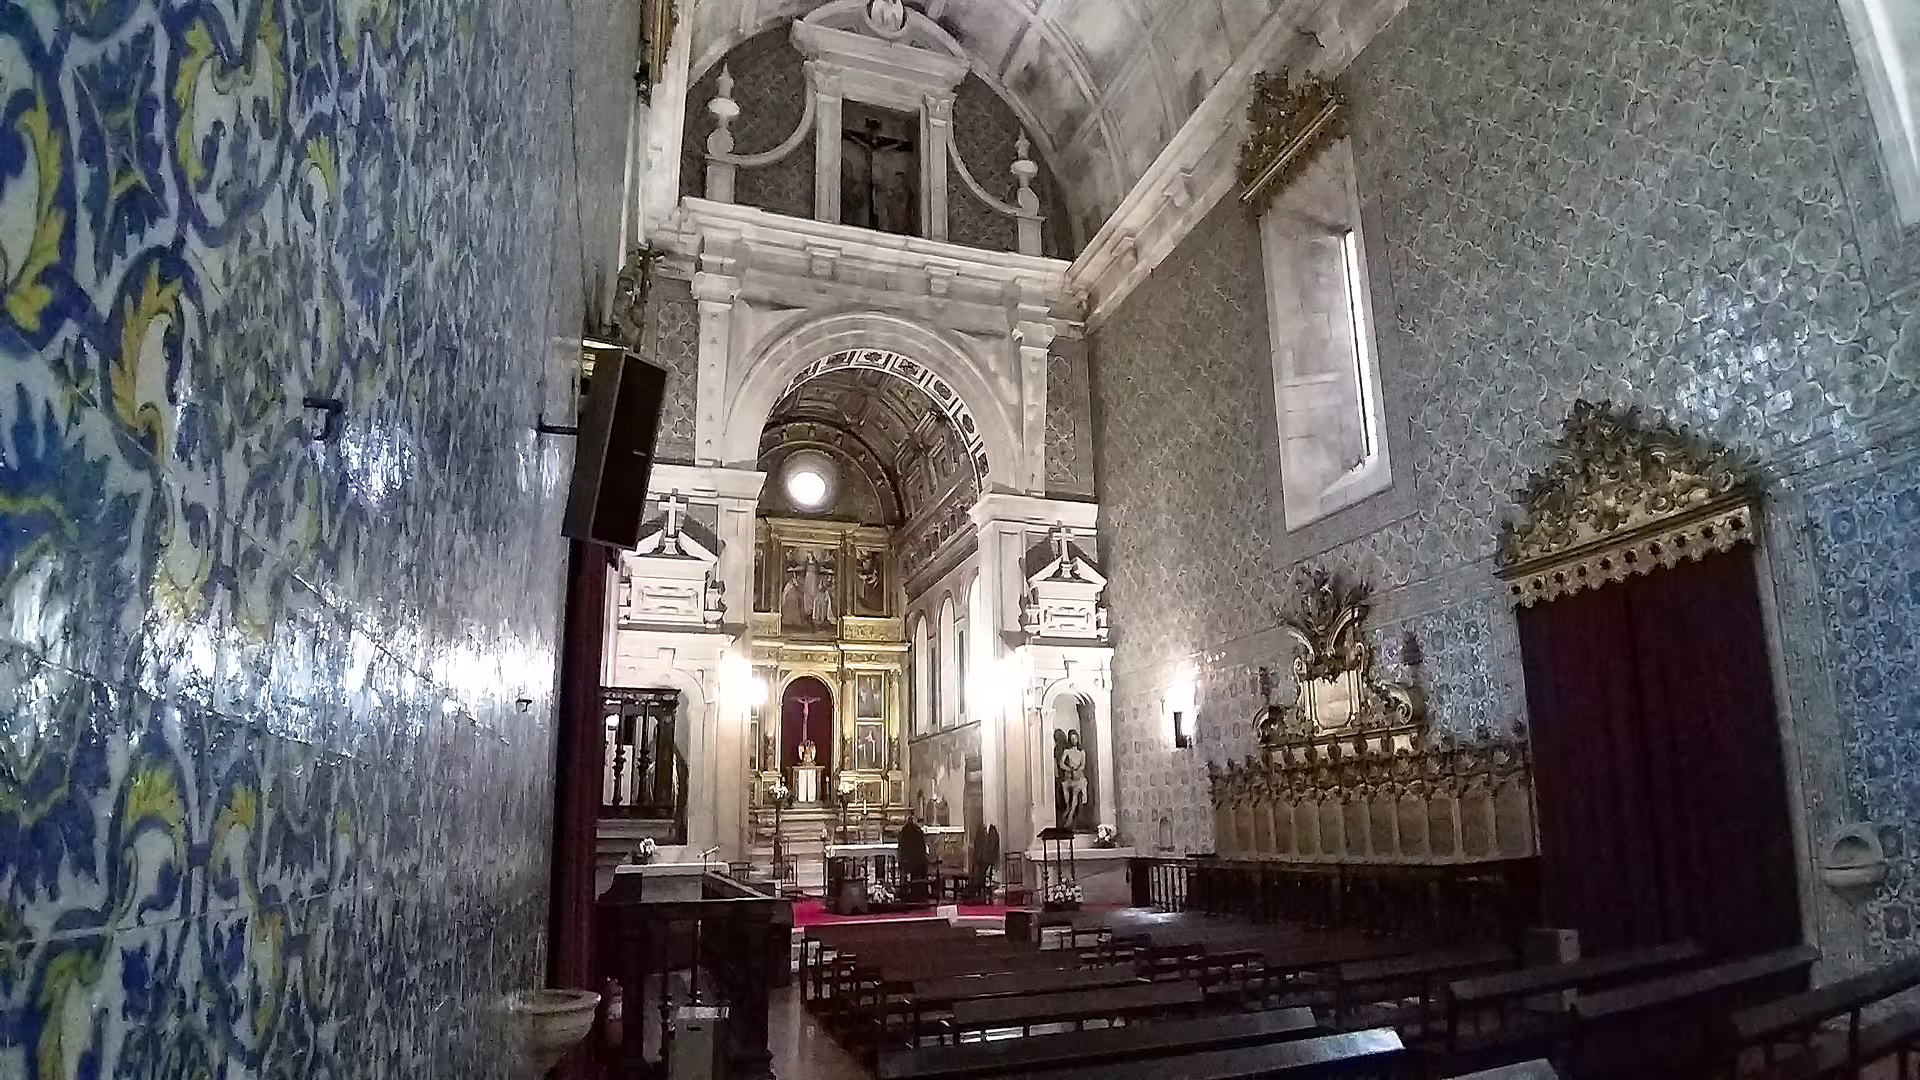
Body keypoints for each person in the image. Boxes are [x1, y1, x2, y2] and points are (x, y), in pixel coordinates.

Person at [1058, 729, 1088, 829]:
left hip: (1078, 776)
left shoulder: (1082, 752)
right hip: (1069, 776)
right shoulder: (1067, 751)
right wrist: (1069, 769)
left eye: (1075, 738)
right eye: (1072, 739)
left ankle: (1070, 818)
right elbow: (1061, 763)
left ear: (1078, 739)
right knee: (1064, 786)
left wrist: (1076, 771)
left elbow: (1083, 765)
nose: (1074, 740)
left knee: (1075, 796)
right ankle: (1067, 807)